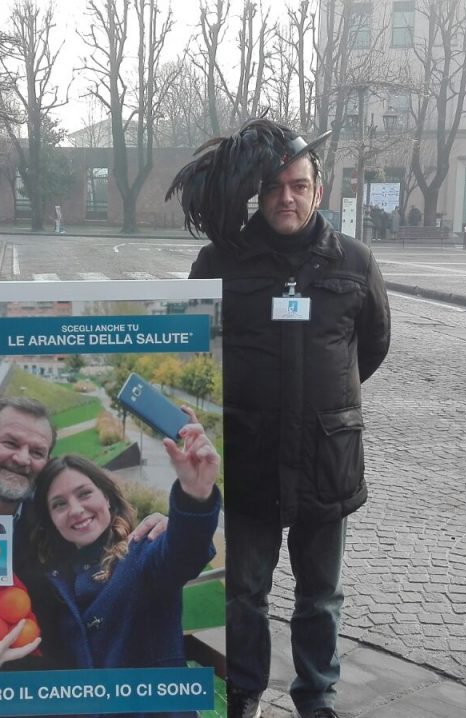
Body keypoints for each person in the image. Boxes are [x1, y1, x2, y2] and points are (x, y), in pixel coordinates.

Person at [167, 118, 392, 718]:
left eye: (297, 185)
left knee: (320, 598)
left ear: (318, 190)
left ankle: (315, 697)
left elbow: (369, 349)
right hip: (248, 459)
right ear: (257, 194)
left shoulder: (355, 262)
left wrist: (323, 407)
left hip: (325, 460)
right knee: (245, 594)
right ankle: (244, 692)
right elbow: (195, 353)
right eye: (273, 188)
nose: (285, 198)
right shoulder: (220, 261)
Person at [0, 397, 168, 716]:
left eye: (37, 452)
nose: (22, 458)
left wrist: (162, 526)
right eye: (10, 442)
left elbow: (111, 544)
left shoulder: (56, 523)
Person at [29, 408, 220, 718]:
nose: (76, 510)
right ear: (50, 520)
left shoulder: (141, 550)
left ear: (107, 498)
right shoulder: (54, 582)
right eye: (59, 504)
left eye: (84, 493)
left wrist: (195, 495)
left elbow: (184, 551)